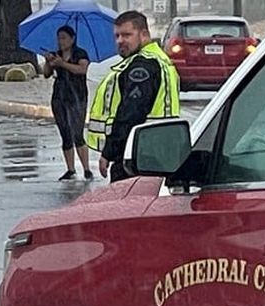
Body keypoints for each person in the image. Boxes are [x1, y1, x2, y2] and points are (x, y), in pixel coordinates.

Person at [85, 10, 179, 181]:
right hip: (157, 154)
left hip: (137, 156)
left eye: (127, 35)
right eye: (117, 36)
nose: (120, 41)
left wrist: (109, 152)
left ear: (144, 34)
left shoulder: (142, 66)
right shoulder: (159, 59)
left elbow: (130, 113)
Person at [42, 25, 92, 181]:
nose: (61, 41)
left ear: (72, 38)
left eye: (64, 37)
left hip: (77, 96)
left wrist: (62, 63)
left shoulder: (80, 53)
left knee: (77, 133)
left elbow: (81, 70)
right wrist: (49, 62)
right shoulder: (56, 54)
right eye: (59, 38)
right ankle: (70, 169)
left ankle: (86, 169)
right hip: (59, 96)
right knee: (65, 133)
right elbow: (46, 74)